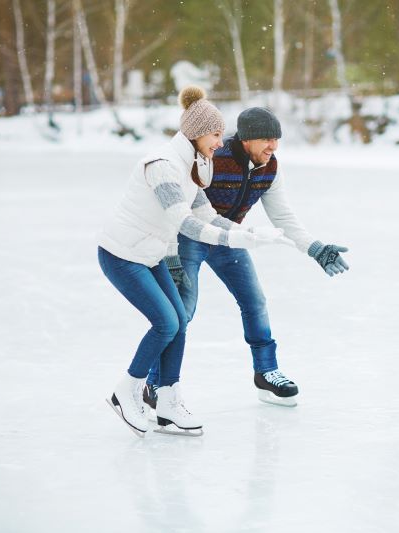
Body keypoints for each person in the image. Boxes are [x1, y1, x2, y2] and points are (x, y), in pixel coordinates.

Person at [98, 87, 291, 437]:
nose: (221, 142)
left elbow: (208, 215)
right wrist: (237, 239)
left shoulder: (193, 167)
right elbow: (186, 223)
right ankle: (126, 390)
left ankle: (167, 402)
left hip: (151, 254)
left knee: (179, 321)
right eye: (215, 135)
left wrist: (250, 234)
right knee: (166, 323)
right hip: (122, 255)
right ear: (197, 133)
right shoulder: (163, 166)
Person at [144, 107, 350, 408]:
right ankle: (154, 383)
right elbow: (175, 211)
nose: (273, 146)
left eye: (276, 139)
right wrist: (171, 254)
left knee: (255, 302)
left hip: (230, 238)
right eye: (267, 139)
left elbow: (283, 216)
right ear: (246, 139)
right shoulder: (213, 157)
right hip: (190, 237)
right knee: (181, 312)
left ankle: (266, 372)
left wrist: (314, 248)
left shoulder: (269, 167)